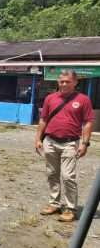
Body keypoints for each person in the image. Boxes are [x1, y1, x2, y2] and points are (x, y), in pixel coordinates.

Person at [35, 69, 93, 222]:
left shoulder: (83, 99)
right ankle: (54, 204)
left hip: (70, 143)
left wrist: (85, 143)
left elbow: (88, 122)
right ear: (58, 82)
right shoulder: (50, 98)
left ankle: (71, 209)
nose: (64, 84)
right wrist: (38, 139)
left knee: (68, 177)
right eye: (61, 81)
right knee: (52, 174)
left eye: (68, 81)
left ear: (75, 82)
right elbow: (44, 119)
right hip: (50, 142)